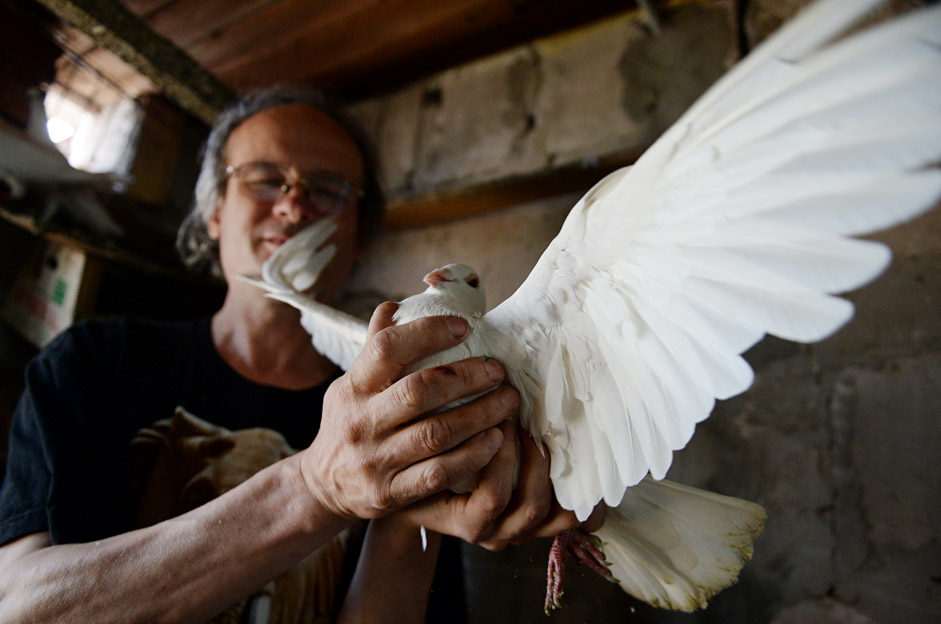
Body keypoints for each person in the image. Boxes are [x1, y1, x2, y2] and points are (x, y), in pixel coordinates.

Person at [0, 85, 601, 623]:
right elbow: (21, 608)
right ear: (213, 211)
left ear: (358, 237)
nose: (293, 207)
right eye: (264, 178)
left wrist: (405, 509)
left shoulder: (407, 405)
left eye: (329, 191)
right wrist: (316, 488)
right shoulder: (92, 365)